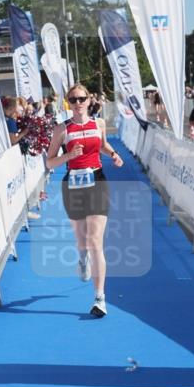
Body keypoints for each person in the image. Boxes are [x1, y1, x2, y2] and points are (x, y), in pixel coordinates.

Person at [45, 84, 124, 318]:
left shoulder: (98, 124)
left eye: (81, 98)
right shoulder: (62, 129)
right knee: (82, 240)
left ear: (89, 101)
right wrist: (68, 156)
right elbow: (49, 162)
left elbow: (102, 145)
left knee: (95, 240)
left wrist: (113, 154)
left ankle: (100, 298)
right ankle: (82, 259)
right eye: (73, 99)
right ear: (68, 103)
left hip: (97, 180)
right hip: (73, 184)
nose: (78, 103)